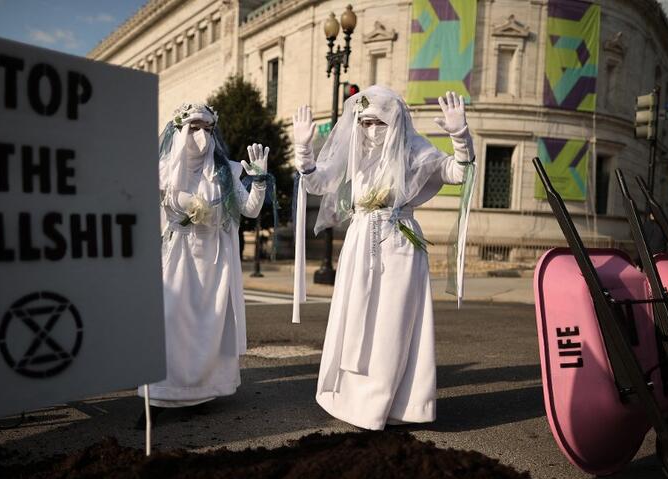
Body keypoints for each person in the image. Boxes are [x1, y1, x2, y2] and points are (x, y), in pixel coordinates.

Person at [291, 86, 476, 430]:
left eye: (379, 122)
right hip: (361, 239)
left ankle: (395, 402)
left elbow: (459, 172)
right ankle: (351, 398)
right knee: (356, 317)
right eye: (364, 122)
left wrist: (460, 136)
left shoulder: (414, 152)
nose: (371, 130)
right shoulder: (353, 154)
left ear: (395, 121)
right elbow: (317, 182)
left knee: (394, 322)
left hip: (400, 245)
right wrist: (303, 149)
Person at [137, 103, 269, 427]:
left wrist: (260, 179)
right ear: (180, 130)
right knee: (170, 324)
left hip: (213, 263)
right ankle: (158, 396)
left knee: (205, 329)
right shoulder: (165, 170)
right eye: (194, 127)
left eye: (207, 128)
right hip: (176, 259)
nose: (201, 135)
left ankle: (199, 392)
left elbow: (249, 210)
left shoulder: (225, 170)